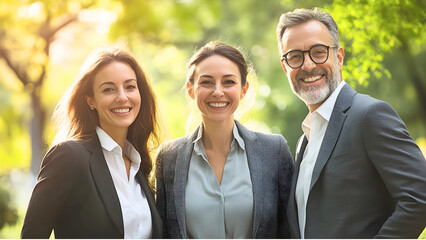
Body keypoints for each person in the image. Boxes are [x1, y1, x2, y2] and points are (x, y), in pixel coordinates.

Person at [276, 7, 426, 238]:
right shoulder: (303, 141)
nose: (307, 65)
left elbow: (420, 197)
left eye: (318, 52)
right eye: (295, 56)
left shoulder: (370, 115)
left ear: (338, 57)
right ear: (286, 67)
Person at [155, 41, 294, 238]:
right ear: (191, 90)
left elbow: (288, 231)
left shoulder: (274, 151)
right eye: (206, 82)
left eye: (228, 81)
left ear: (243, 89)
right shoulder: (169, 157)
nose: (218, 91)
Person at [21, 47, 162, 238]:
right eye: (108, 89)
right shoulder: (69, 157)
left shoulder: (140, 163)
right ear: (90, 100)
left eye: (130, 87)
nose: (122, 97)